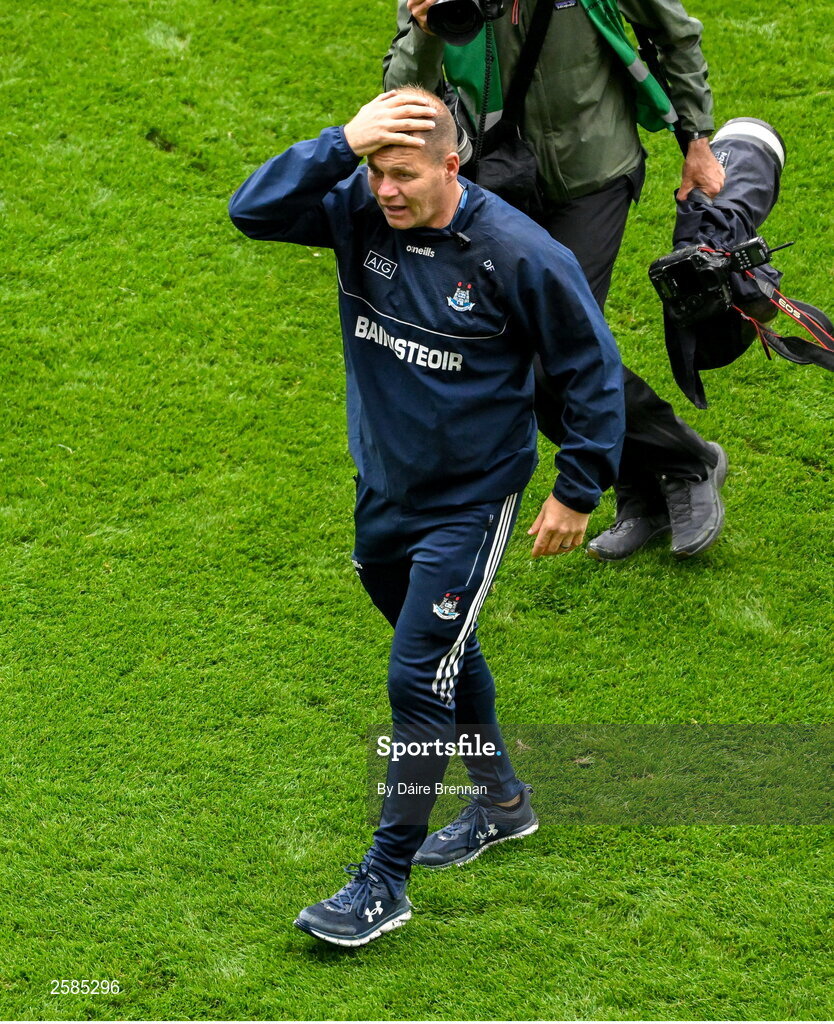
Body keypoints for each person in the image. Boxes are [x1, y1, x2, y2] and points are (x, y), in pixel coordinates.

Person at [229, 88, 625, 946]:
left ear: (455, 164)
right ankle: (505, 804)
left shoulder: (519, 254)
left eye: (403, 173)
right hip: (384, 489)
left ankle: (383, 882)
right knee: (445, 653)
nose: (387, 192)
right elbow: (250, 211)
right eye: (376, 171)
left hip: (470, 501)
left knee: (416, 680)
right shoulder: (358, 207)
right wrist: (341, 143)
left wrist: (577, 490)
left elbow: (593, 369)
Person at [383, 0, 729, 561]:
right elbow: (400, 100)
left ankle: (687, 463)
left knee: (556, 354)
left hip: (595, 174)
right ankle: (641, 489)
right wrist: (426, 31)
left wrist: (697, 138)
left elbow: (676, 34)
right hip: (499, 183)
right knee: (512, 361)